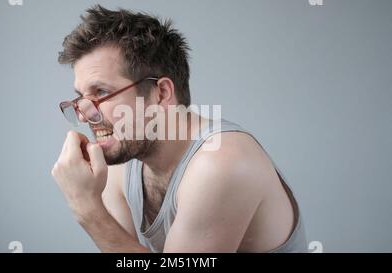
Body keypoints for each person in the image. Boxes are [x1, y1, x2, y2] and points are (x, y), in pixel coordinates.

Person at [51, 5, 307, 253]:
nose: (85, 114)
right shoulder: (124, 161)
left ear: (161, 93)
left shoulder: (222, 163)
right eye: (81, 98)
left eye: (102, 92)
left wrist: (86, 207)